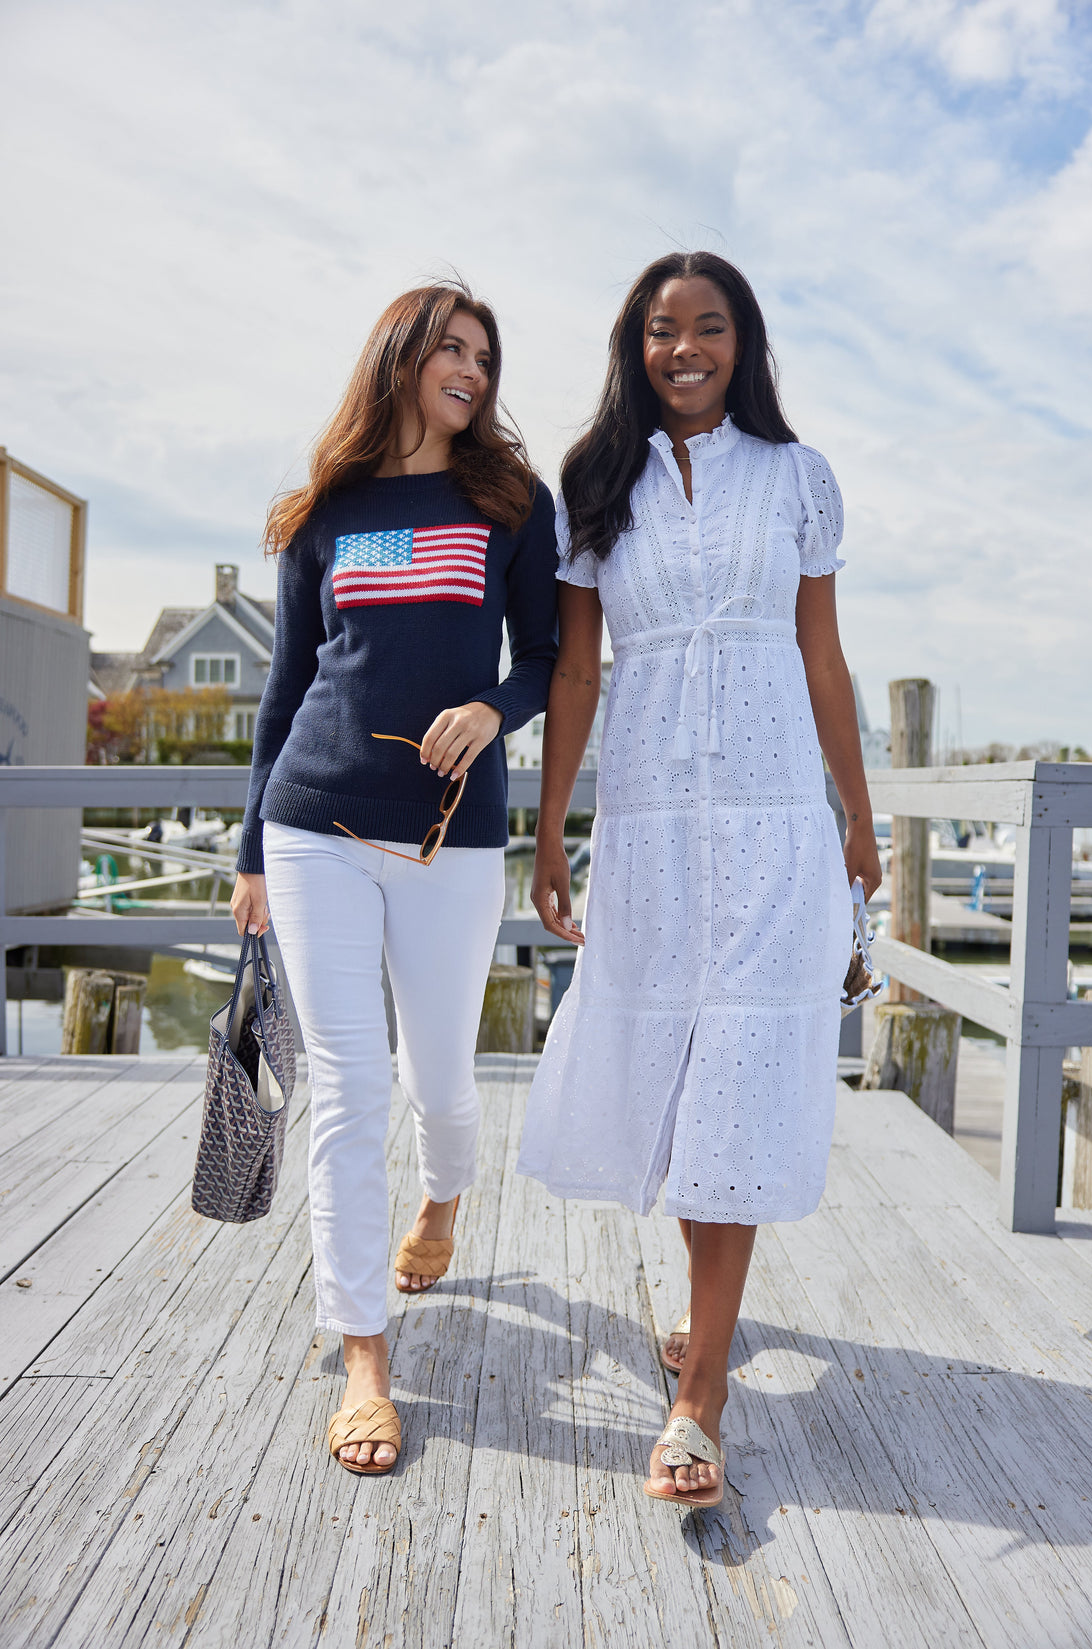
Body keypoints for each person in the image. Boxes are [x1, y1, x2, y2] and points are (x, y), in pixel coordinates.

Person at [517, 251, 880, 1508]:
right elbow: (574, 672)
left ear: (743, 341)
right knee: (677, 1078)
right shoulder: (591, 483)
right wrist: (553, 825)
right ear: (634, 345)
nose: (684, 348)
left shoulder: (795, 477)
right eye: (662, 330)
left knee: (738, 1069)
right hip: (650, 824)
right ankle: (706, 1330)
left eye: (708, 327)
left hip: (776, 815)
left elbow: (822, 661)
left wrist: (856, 817)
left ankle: (701, 1389)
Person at [231, 281, 557, 1476]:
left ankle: (442, 1200)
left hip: (449, 837)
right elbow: (284, 690)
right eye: (451, 349)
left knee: (440, 1081)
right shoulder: (328, 510)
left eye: (484, 353)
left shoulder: (513, 503)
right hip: (314, 816)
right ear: (401, 359)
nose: (471, 368)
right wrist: (252, 850)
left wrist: (491, 705)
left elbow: (553, 658)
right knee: (348, 1085)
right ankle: (364, 1351)